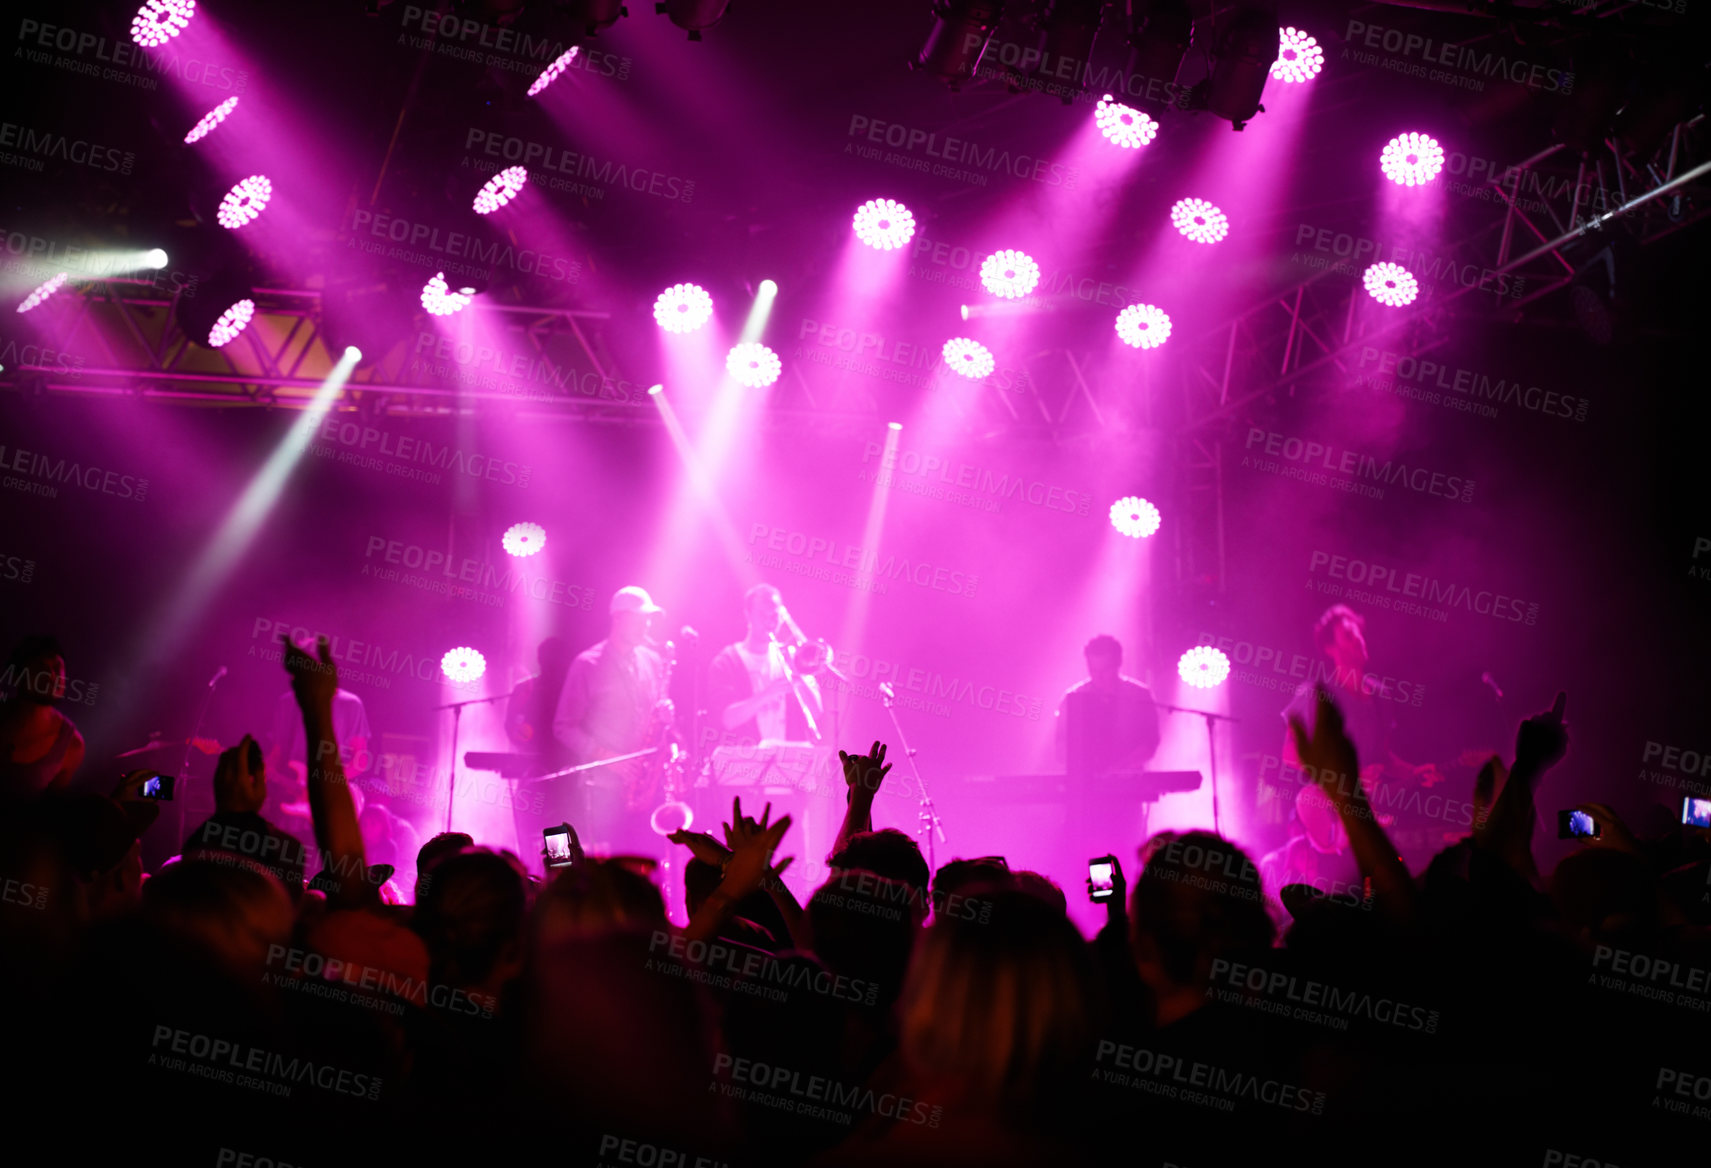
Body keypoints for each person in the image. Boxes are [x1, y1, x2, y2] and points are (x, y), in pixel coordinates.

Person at [1275, 606, 1442, 871]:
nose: (1359, 640)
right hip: (1331, 820)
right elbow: (1290, 755)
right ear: (1330, 648)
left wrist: (1414, 771)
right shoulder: (1316, 694)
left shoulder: (1381, 696)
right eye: (1349, 636)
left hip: (1369, 817)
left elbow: (1384, 758)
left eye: (1359, 634)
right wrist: (1345, 778)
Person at [550, 586, 671, 854]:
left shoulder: (652, 660)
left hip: (643, 785)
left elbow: (652, 717)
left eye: (649, 619)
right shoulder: (588, 664)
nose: (647, 625)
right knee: (607, 863)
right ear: (618, 618)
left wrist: (664, 716)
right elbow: (563, 726)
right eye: (641, 618)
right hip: (602, 786)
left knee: (645, 862)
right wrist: (607, 757)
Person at [707, 583, 825, 747]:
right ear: (748, 615)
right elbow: (727, 719)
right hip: (746, 762)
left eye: (774, 616)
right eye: (763, 615)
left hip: (788, 762)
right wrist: (767, 694)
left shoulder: (791, 658)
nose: (769, 622)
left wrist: (797, 674)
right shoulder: (726, 661)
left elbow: (817, 711)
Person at [1053, 634, 1160, 778]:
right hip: (1083, 785)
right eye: (1093, 670)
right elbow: (1060, 747)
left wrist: (1120, 767)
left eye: (1105, 670)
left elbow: (1150, 742)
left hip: (1128, 783)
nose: (1099, 677)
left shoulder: (1139, 696)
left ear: (1119, 664)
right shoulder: (1072, 698)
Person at [0, 636, 86, 797]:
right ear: (19, 674)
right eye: (41, 668)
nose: (52, 676)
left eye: (57, 667)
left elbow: (49, 813)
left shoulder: (71, 745)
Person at [506, 636, 573, 769]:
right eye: (548, 659)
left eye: (556, 659)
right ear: (540, 659)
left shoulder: (573, 689)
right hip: (533, 763)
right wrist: (526, 746)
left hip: (567, 763)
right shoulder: (525, 688)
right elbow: (511, 724)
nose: (552, 664)